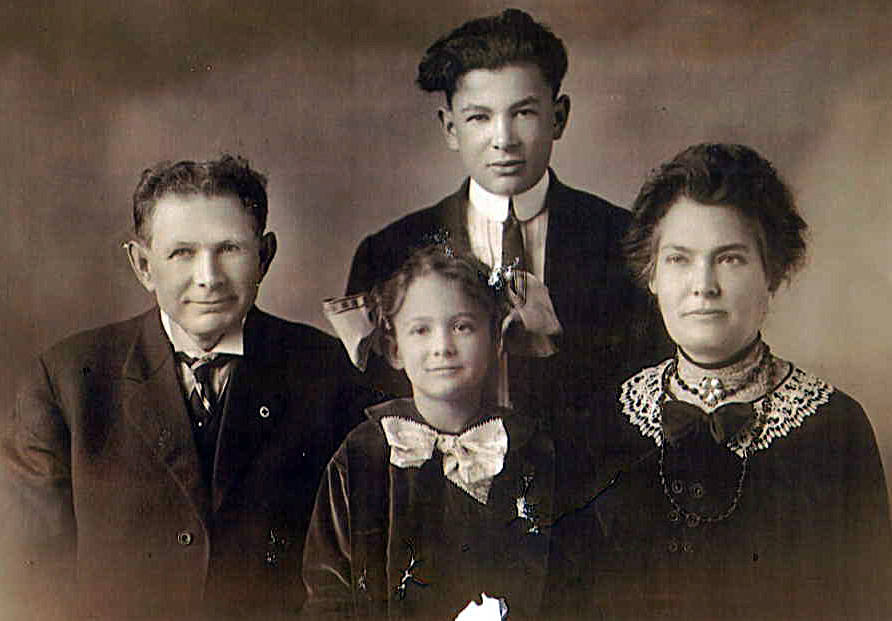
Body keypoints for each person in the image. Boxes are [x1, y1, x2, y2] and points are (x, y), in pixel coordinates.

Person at [0, 155, 374, 620]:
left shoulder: (327, 374)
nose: (209, 277)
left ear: (265, 256)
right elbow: (33, 579)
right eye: (182, 253)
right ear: (142, 265)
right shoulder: (66, 382)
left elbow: (352, 571)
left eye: (230, 249)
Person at [551, 143, 892, 620]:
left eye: (730, 259)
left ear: (772, 272)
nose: (703, 285)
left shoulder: (836, 427)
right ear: (650, 275)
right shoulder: (605, 420)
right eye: (678, 259)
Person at [346, 8, 670, 414]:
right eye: (479, 117)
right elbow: (369, 407)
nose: (504, 140)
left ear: (559, 117)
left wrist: (559, 342)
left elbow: (653, 393)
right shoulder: (389, 253)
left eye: (523, 113)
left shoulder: (626, 239)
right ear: (450, 128)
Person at [303, 246, 558, 620]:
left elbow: (550, 579)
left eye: (462, 327)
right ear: (394, 349)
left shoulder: (527, 449)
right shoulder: (361, 454)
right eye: (421, 330)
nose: (442, 347)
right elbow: (329, 592)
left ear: (495, 341)